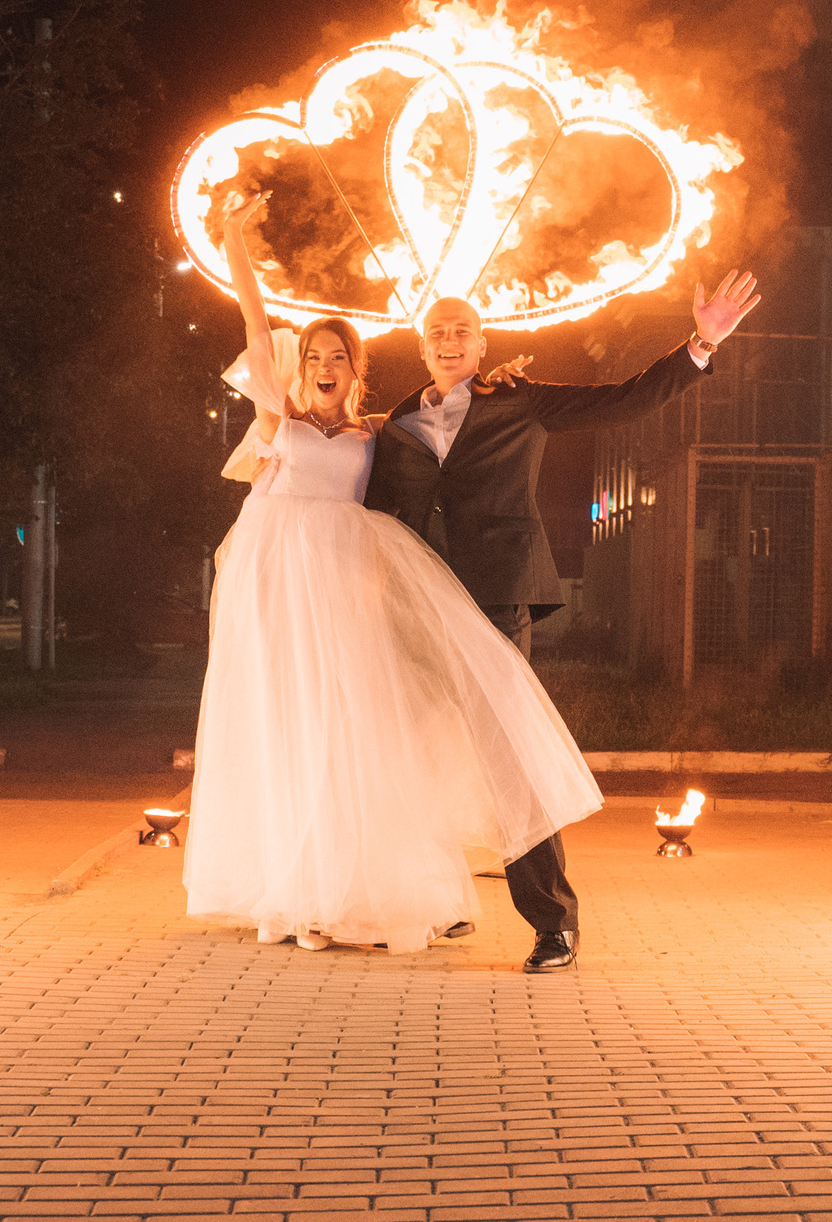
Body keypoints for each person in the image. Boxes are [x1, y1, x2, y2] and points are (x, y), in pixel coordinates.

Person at [183, 193, 604, 957]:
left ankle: (454, 900)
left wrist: (489, 379)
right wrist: (234, 240)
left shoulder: (383, 431)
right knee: (303, 729)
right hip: (281, 589)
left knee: (373, 733)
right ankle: (307, 888)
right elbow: (250, 318)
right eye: (313, 357)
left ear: (358, 369)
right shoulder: (279, 417)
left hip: (359, 593)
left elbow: (454, 420)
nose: (324, 367)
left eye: (338, 357)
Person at [365, 273, 761, 971]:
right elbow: (371, 512)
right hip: (418, 598)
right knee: (408, 750)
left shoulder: (521, 402)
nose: (449, 340)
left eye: (462, 330)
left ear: (483, 345)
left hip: (495, 596)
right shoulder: (396, 425)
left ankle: (555, 924)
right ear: (421, 346)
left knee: (507, 754)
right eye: (437, 331)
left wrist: (701, 343)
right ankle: (435, 901)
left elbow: (624, 400)